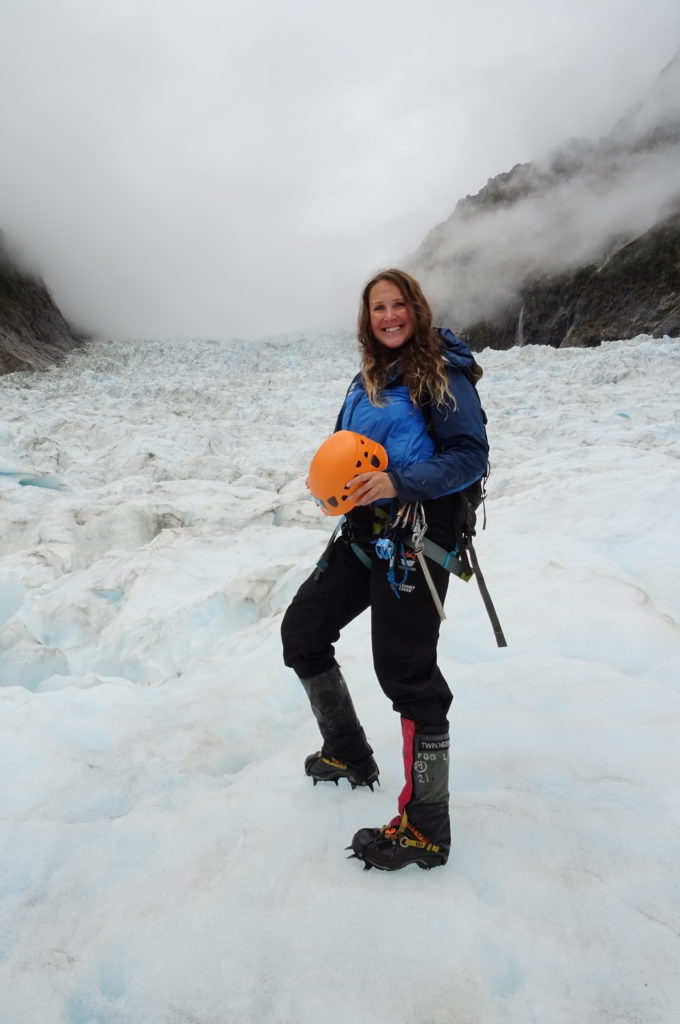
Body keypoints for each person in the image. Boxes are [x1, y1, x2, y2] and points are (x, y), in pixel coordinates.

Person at [280, 268, 489, 872]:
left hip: (417, 539)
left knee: (408, 675)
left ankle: (427, 827)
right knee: (304, 631)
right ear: (367, 318)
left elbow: (468, 457)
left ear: (416, 310)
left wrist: (398, 481)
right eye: (378, 308)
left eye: (399, 305)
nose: (390, 316)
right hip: (363, 531)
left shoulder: (442, 376)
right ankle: (349, 753)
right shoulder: (365, 377)